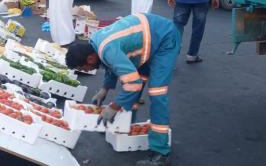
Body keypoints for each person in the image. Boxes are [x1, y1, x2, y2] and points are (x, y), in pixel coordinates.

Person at [65, 13, 180, 166]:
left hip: (164, 38)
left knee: (156, 92)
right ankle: (124, 124)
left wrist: (114, 106)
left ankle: (161, 153)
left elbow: (133, 84)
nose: (85, 71)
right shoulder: (95, 41)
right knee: (136, 82)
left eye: (83, 68)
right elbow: (111, 64)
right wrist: (105, 89)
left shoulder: (107, 49)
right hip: (148, 39)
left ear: (90, 59)